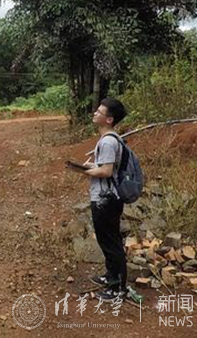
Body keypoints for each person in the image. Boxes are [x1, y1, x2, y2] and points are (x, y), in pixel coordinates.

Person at [67, 97, 128, 300]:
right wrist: (91, 167)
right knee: (107, 239)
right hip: (107, 197)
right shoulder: (109, 139)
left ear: (109, 119)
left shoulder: (109, 141)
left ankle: (117, 288)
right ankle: (111, 276)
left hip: (106, 199)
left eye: (100, 112)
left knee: (111, 242)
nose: (95, 113)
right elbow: (106, 167)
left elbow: (106, 171)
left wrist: (84, 171)